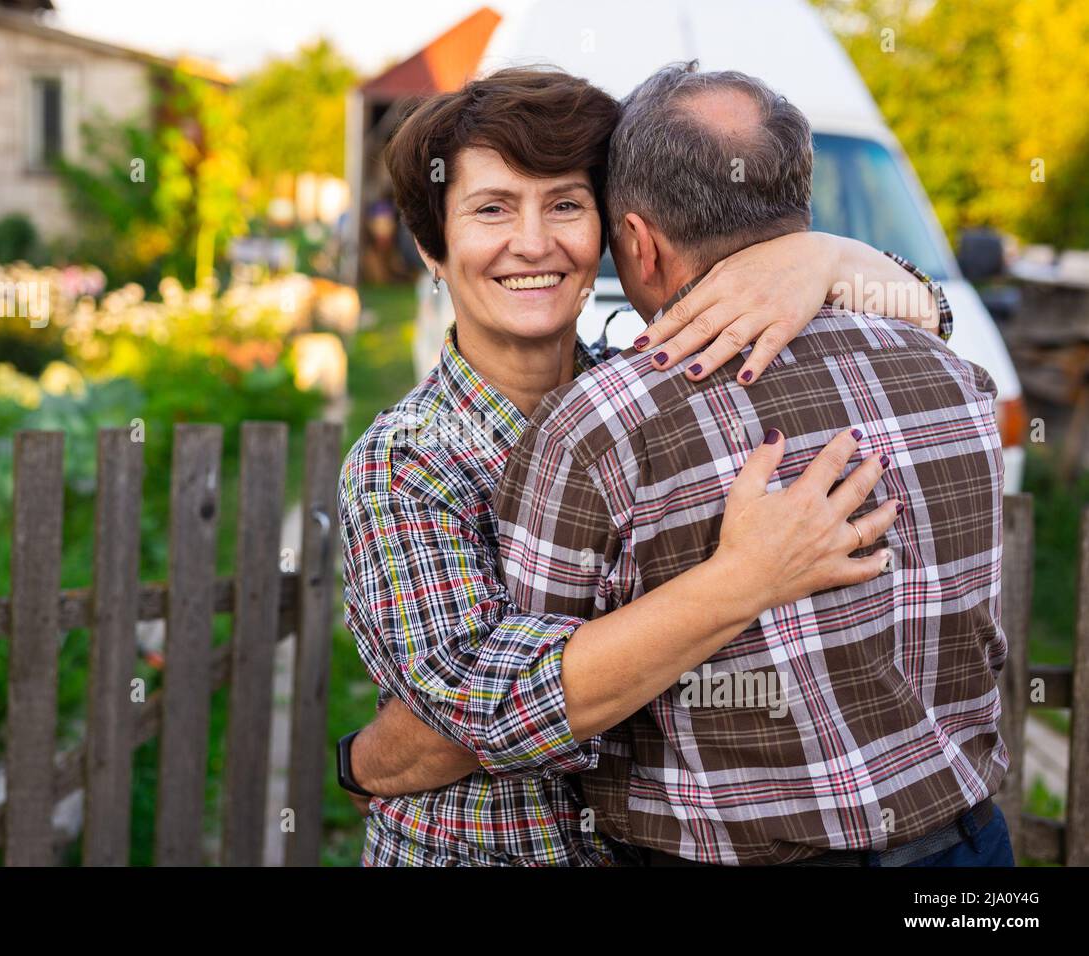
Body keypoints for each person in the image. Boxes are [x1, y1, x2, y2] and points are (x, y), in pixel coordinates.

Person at [339, 66, 950, 866]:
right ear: (433, 247)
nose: (534, 242)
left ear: (612, 231)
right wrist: (745, 580)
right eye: (492, 210)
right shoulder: (406, 457)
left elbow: (929, 324)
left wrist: (821, 258)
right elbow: (484, 707)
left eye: (565, 204)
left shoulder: (659, 386)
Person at [493, 63, 1010, 866]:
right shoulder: (961, 381)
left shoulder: (597, 427)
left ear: (636, 241)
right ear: (800, 212)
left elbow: (537, 709)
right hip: (966, 847)